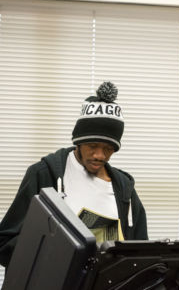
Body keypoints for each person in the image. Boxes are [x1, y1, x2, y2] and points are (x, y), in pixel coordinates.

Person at [0, 81, 148, 268]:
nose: (99, 155)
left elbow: (141, 253)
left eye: (108, 148)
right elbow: (5, 243)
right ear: (79, 142)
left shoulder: (124, 188)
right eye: (92, 146)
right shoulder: (44, 174)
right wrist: (54, 252)